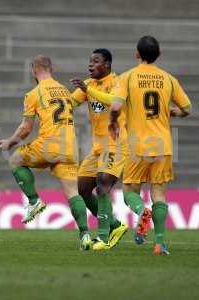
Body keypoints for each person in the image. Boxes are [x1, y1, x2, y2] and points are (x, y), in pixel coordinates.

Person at [0, 55, 93, 250]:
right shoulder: (65, 91)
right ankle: (85, 235)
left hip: (49, 145)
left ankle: (34, 201)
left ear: (34, 70)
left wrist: (10, 142)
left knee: (16, 160)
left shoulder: (34, 93)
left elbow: (26, 128)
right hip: (70, 147)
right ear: (52, 69)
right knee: (73, 192)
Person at [109, 35, 192, 255]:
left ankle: (140, 211)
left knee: (129, 192)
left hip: (138, 145)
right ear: (159, 55)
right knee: (159, 194)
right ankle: (160, 243)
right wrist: (175, 112)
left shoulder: (127, 77)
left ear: (137, 54)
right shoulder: (168, 79)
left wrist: (112, 123)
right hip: (163, 145)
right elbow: (188, 108)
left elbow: (116, 106)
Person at [70, 49, 129, 251]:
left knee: (103, 182)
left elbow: (113, 102)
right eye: (90, 61)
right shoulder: (90, 84)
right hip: (97, 148)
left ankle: (103, 237)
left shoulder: (118, 82)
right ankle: (115, 225)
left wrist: (88, 91)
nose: (90, 65)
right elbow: (71, 102)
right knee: (82, 188)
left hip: (116, 144)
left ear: (107, 64)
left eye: (96, 61)